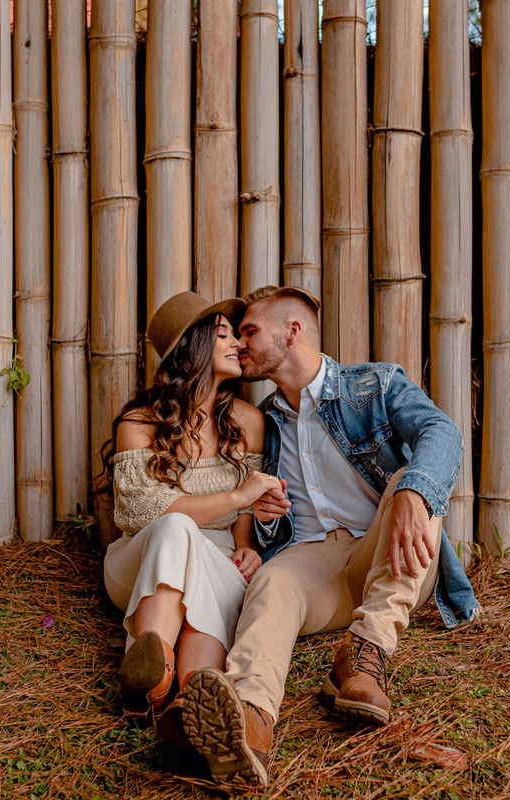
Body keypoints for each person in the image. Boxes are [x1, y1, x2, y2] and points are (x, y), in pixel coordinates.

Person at [178, 286, 482, 789]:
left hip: (386, 552)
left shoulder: (373, 385)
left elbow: (442, 432)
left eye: (250, 331)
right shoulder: (264, 424)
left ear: (292, 331)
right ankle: (249, 720)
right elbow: (271, 529)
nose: (241, 344)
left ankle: (366, 654)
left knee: (414, 487)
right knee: (274, 583)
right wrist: (266, 516)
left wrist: (412, 490)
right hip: (315, 564)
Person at [100, 291, 280, 745]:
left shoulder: (248, 422)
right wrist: (238, 492)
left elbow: (243, 517)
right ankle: (156, 667)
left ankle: (191, 697)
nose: (238, 343)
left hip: (215, 557)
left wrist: (246, 546)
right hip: (138, 560)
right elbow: (144, 511)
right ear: (194, 348)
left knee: (211, 572)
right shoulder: (139, 423)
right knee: (178, 528)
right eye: (224, 334)